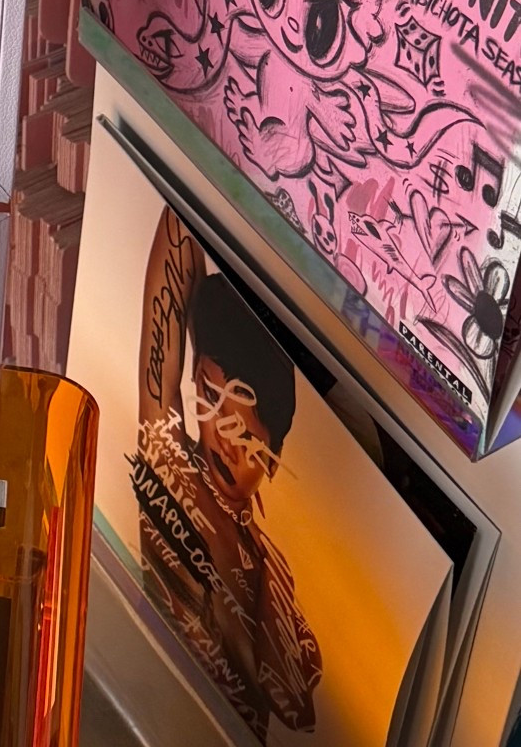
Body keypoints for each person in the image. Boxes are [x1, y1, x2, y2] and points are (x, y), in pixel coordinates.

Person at [134, 207, 321, 741]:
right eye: (210, 398)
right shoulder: (172, 471)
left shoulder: (274, 567)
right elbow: (177, 239)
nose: (221, 437)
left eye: (244, 437)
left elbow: (296, 706)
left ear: (274, 457)